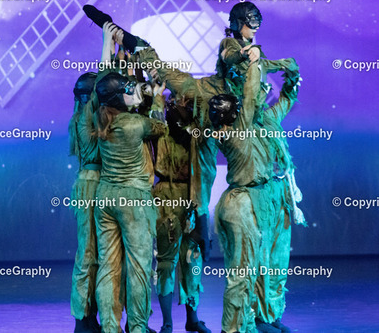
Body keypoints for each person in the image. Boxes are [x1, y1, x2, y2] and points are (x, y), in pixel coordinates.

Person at [210, 57, 300, 333]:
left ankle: (267, 315)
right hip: (245, 199)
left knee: (274, 263)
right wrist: (258, 62)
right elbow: (249, 95)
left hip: (271, 198)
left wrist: (291, 77)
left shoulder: (265, 121)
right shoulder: (237, 132)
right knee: (244, 270)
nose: (263, 92)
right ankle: (236, 327)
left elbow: (286, 99)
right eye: (260, 89)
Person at [91, 71, 167, 333]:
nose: (130, 91)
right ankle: (137, 328)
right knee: (138, 267)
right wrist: (156, 98)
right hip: (133, 199)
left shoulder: (99, 118)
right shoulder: (134, 124)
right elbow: (161, 127)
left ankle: (109, 328)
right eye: (125, 89)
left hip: (105, 195)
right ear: (117, 98)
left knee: (108, 266)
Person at [153, 95, 210, 333]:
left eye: (188, 103)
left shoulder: (196, 132)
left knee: (192, 258)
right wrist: (158, 95)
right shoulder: (161, 127)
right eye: (179, 101)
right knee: (167, 261)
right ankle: (167, 322)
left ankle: (193, 317)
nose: (184, 105)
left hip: (191, 195)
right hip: (166, 195)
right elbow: (155, 113)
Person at [69, 72, 100, 333]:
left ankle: (89, 315)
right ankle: (82, 318)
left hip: (90, 183)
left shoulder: (80, 116)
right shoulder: (87, 117)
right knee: (88, 253)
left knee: (94, 253)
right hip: (92, 185)